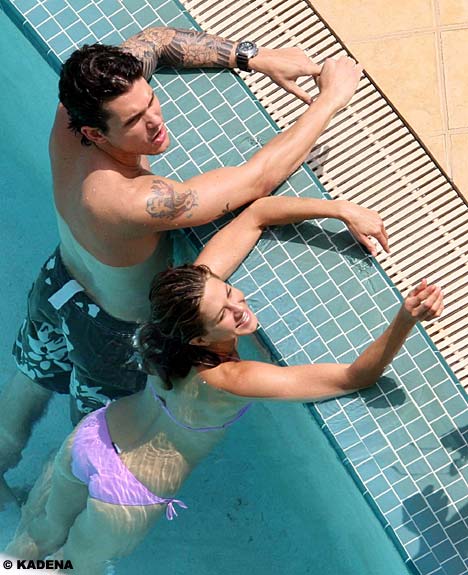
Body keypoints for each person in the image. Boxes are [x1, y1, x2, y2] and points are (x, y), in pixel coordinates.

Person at [0, 25, 374, 505]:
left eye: (150, 101)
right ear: (95, 132)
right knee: (97, 442)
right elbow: (257, 179)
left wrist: (253, 55)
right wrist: (330, 99)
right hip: (111, 335)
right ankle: (47, 519)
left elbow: (154, 40)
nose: (155, 121)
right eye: (134, 120)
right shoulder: (136, 201)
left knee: (28, 382)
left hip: (58, 285)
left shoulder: (73, 110)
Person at [6, 193, 442, 574]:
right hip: (124, 494)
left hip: (94, 437)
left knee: (37, 535)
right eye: (224, 314)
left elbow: (257, 215)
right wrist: (406, 318)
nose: (239, 307)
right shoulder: (231, 377)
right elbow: (355, 376)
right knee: (75, 568)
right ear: (199, 337)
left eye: (230, 293)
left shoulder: (176, 315)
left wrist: (342, 210)